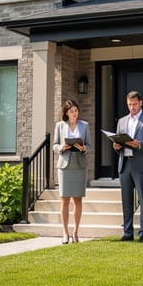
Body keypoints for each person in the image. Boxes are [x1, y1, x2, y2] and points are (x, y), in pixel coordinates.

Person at [112, 90, 143, 242]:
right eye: (129, 104)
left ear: (140, 103)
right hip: (125, 165)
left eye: (134, 104)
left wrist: (140, 144)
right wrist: (116, 146)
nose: (132, 107)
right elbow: (118, 142)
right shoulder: (122, 121)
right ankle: (127, 233)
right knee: (126, 201)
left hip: (141, 165)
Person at [52, 99, 91, 244]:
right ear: (66, 113)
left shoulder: (84, 125)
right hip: (65, 166)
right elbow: (54, 145)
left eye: (76, 110)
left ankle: (75, 232)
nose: (74, 113)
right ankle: (65, 233)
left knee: (78, 200)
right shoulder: (60, 125)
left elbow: (89, 145)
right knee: (64, 200)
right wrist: (62, 147)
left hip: (79, 164)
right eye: (71, 111)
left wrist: (84, 148)